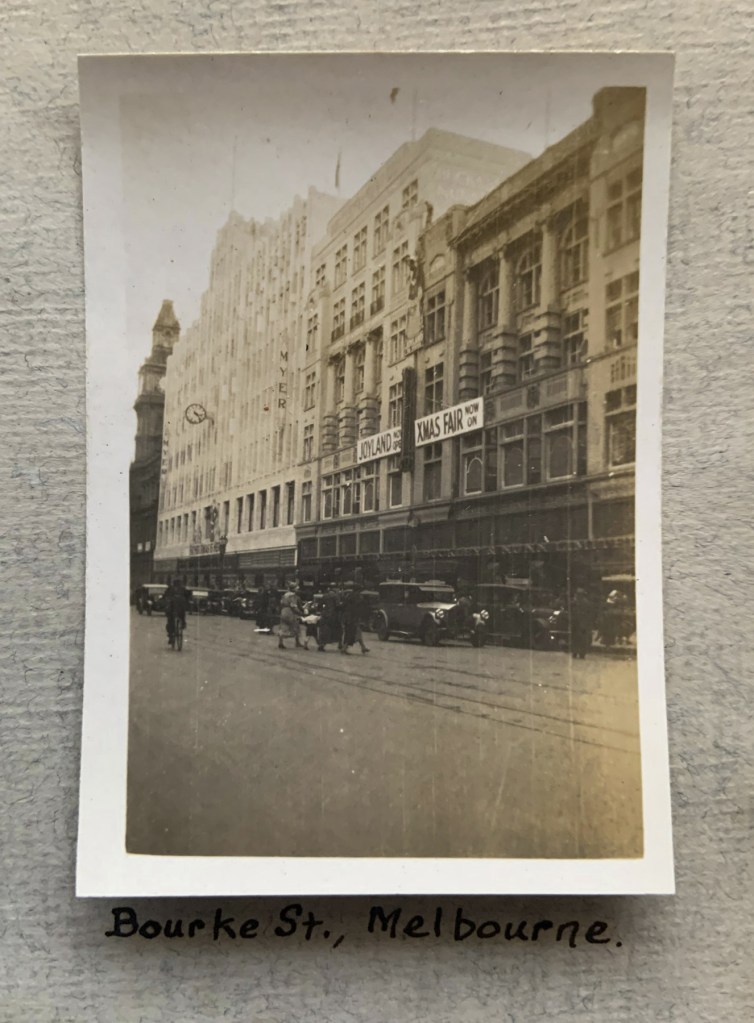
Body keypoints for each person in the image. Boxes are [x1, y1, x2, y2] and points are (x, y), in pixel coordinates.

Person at [339, 582, 369, 655]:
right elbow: (358, 607)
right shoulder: (357, 597)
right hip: (353, 617)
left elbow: (344, 605)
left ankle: (363, 647)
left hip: (347, 617)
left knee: (356, 632)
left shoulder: (349, 595)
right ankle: (344, 648)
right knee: (351, 632)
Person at [278, 583, 303, 650]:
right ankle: (297, 642)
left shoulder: (285, 595)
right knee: (296, 625)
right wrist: (300, 612)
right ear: (293, 589)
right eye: (296, 588)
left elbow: (281, 603)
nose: (297, 589)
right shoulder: (293, 596)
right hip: (290, 612)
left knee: (283, 627)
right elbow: (293, 606)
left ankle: (280, 642)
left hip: (283, 611)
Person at [570, 589, 594, 660]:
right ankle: (578, 653)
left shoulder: (582, 602)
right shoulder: (582, 602)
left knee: (580, 639)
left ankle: (578, 653)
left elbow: (588, 614)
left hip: (581, 623)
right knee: (578, 638)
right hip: (579, 623)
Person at [164, 578, 188, 648]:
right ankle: (182, 624)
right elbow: (188, 596)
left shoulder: (171, 589)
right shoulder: (182, 589)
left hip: (173, 609)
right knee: (182, 615)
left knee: (170, 620)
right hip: (179, 609)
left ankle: (171, 635)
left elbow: (165, 596)